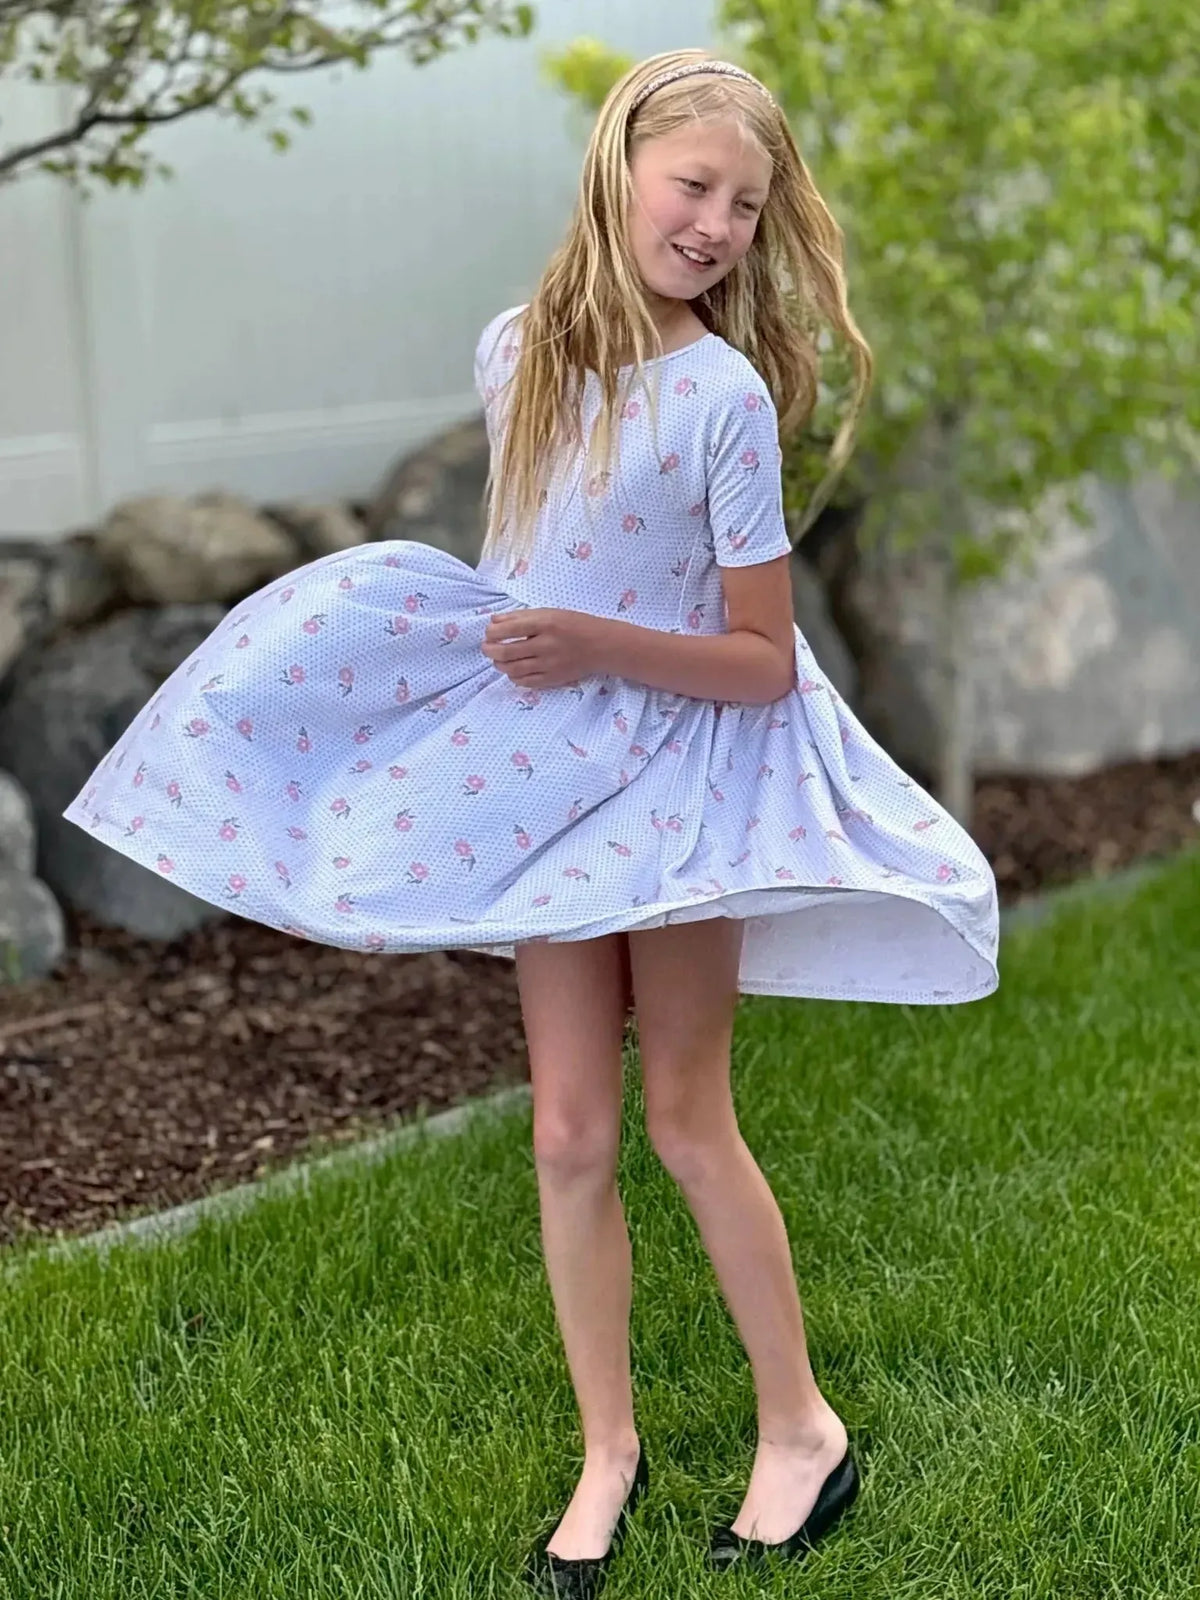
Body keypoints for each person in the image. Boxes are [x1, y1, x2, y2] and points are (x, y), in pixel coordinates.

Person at [63, 45, 999, 1596]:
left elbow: (762, 664)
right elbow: (530, 562)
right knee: (568, 1132)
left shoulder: (723, 405)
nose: (713, 223)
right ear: (621, 165)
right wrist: (516, 659)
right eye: (694, 185)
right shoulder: (520, 356)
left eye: (746, 208)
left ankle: (799, 1428)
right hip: (555, 788)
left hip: (690, 779)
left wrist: (594, 647)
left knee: (687, 1123)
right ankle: (608, 1448)